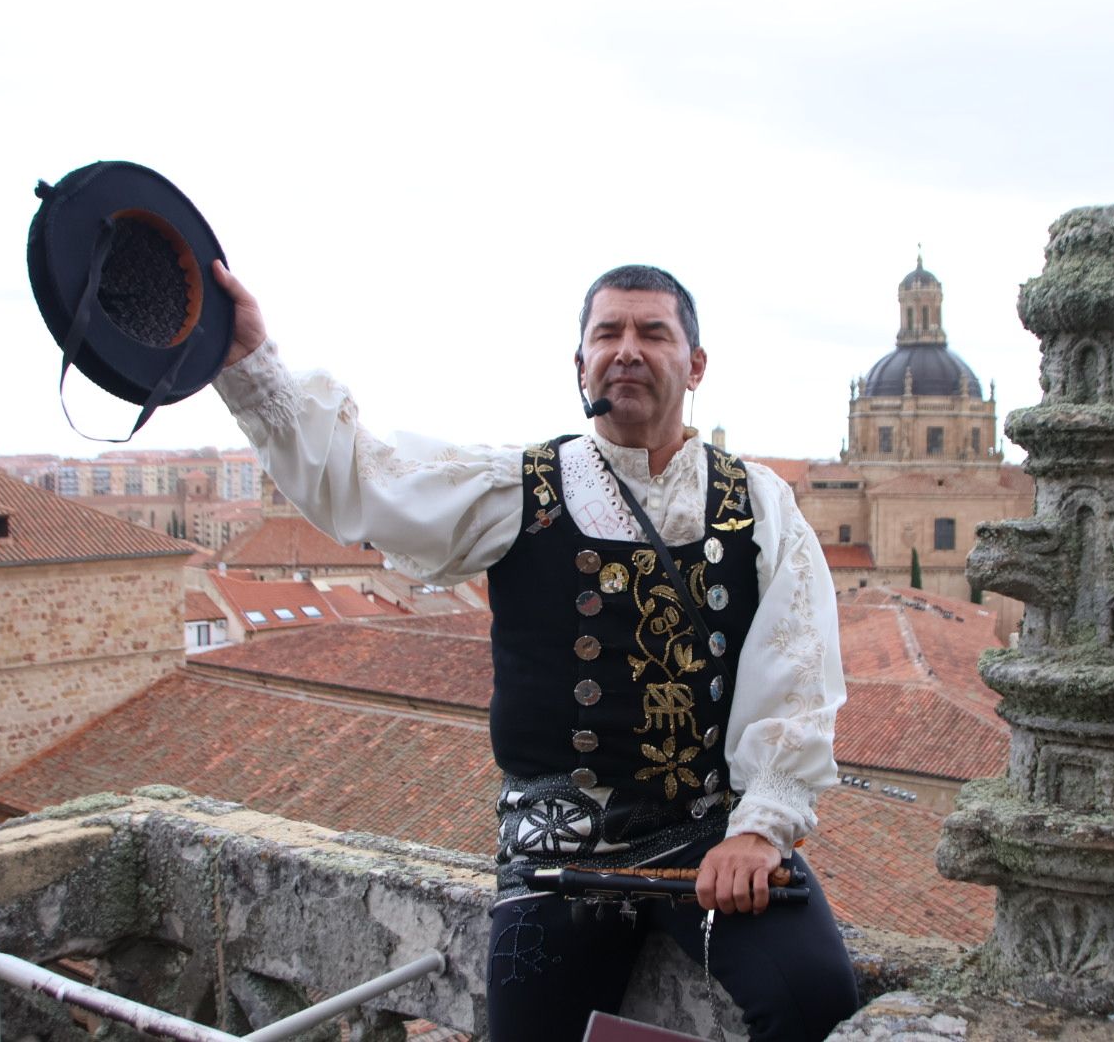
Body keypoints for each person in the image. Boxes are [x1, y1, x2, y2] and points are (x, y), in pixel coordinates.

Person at [208, 262, 859, 1042]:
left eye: (653, 332)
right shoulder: (519, 487)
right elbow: (366, 482)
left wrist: (761, 828)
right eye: (606, 333)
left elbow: (799, 668)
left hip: (708, 836)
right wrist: (249, 362)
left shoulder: (756, 502)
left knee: (816, 999)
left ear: (695, 365)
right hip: (558, 845)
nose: (627, 350)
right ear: (579, 363)